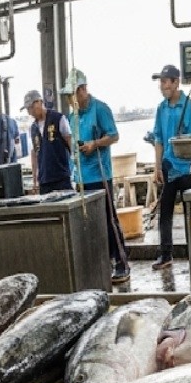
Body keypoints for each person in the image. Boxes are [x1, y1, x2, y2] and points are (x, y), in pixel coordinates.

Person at [60, 68, 130, 284]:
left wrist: (95, 144)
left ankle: (122, 263)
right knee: (89, 224)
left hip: (100, 174)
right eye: (67, 96)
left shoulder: (100, 109)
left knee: (109, 220)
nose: (70, 100)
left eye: (72, 94)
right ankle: (101, 262)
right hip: (81, 178)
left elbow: (114, 135)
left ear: (82, 90)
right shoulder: (72, 116)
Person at [146, 65, 191, 270]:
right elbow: (158, 137)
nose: (162, 86)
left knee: (190, 212)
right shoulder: (161, 108)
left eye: (165, 81)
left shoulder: (189, 106)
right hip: (168, 165)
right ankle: (165, 254)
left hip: (186, 168)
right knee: (165, 211)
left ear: (176, 82)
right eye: (161, 82)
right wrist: (157, 166)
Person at [24, 89, 74, 194]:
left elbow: (70, 141)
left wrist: (74, 167)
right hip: (44, 181)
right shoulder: (33, 128)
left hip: (61, 177)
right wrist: (35, 180)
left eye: (31, 107)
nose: (30, 111)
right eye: (28, 109)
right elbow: (35, 153)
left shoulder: (58, 118)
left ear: (40, 102)